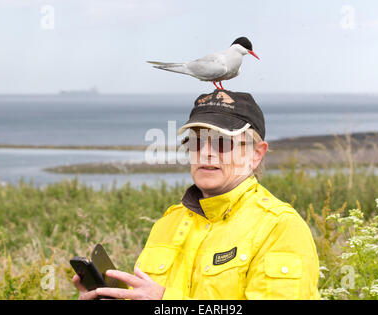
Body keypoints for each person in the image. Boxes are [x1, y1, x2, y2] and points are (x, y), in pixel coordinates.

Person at [73, 89, 321, 300]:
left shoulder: (279, 227)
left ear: (256, 154)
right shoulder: (168, 223)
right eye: (196, 142)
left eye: (222, 142)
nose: (206, 152)